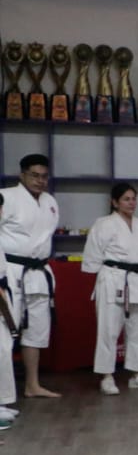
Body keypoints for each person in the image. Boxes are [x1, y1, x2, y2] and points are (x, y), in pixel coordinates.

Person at [84, 183, 138, 395]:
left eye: (134, 198)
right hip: (112, 279)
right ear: (115, 202)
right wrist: (102, 277)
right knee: (108, 330)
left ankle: (137, 374)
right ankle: (106, 376)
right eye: (126, 199)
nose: (131, 203)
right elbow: (92, 255)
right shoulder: (104, 224)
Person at [1, 154, 61, 398]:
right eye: (34, 175)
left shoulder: (50, 202)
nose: (40, 181)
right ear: (22, 175)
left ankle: (32, 385)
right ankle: (3, 393)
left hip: (38, 272)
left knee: (36, 330)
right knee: (4, 331)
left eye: (44, 176)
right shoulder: (6, 197)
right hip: (11, 270)